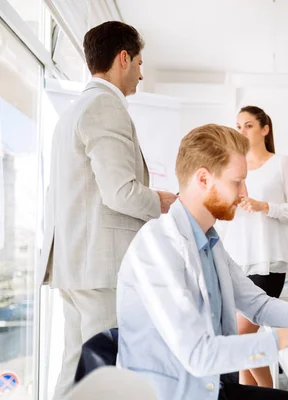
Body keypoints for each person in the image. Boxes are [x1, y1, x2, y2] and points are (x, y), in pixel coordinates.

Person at [117, 124, 288, 400]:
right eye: (237, 181)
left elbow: (258, 305)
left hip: (212, 388)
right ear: (203, 179)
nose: (244, 193)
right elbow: (199, 354)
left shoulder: (210, 242)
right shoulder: (158, 245)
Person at [38, 21, 177, 398]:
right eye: (140, 63)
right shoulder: (105, 105)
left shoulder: (74, 109)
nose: (141, 73)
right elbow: (121, 193)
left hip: (75, 264)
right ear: (123, 57)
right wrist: (164, 201)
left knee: (74, 372)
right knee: (107, 373)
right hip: (101, 269)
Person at [221, 106, 288, 387]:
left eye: (248, 125)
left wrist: (265, 206)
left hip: (268, 261)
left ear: (264, 129)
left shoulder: (282, 163)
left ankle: (270, 392)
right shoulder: (233, 166)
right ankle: (258, 394)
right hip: (237, 260)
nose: (241, 132)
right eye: (238, 126)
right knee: (239, 339)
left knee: (240, 337)